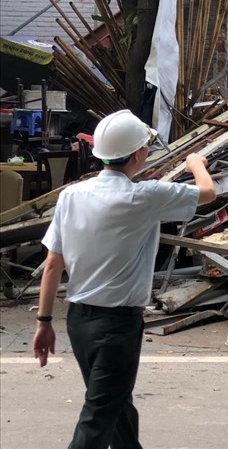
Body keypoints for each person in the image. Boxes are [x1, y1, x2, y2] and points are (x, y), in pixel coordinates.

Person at [33, 109, 217, 449]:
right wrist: (196, 164)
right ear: (138, 155)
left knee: (115, 406)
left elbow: (52, 264)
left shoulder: (71, 196)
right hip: (117, 326)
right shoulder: (145, 196)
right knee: (99, 414)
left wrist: (44, 321)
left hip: (79, 321)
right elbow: (207, 193)